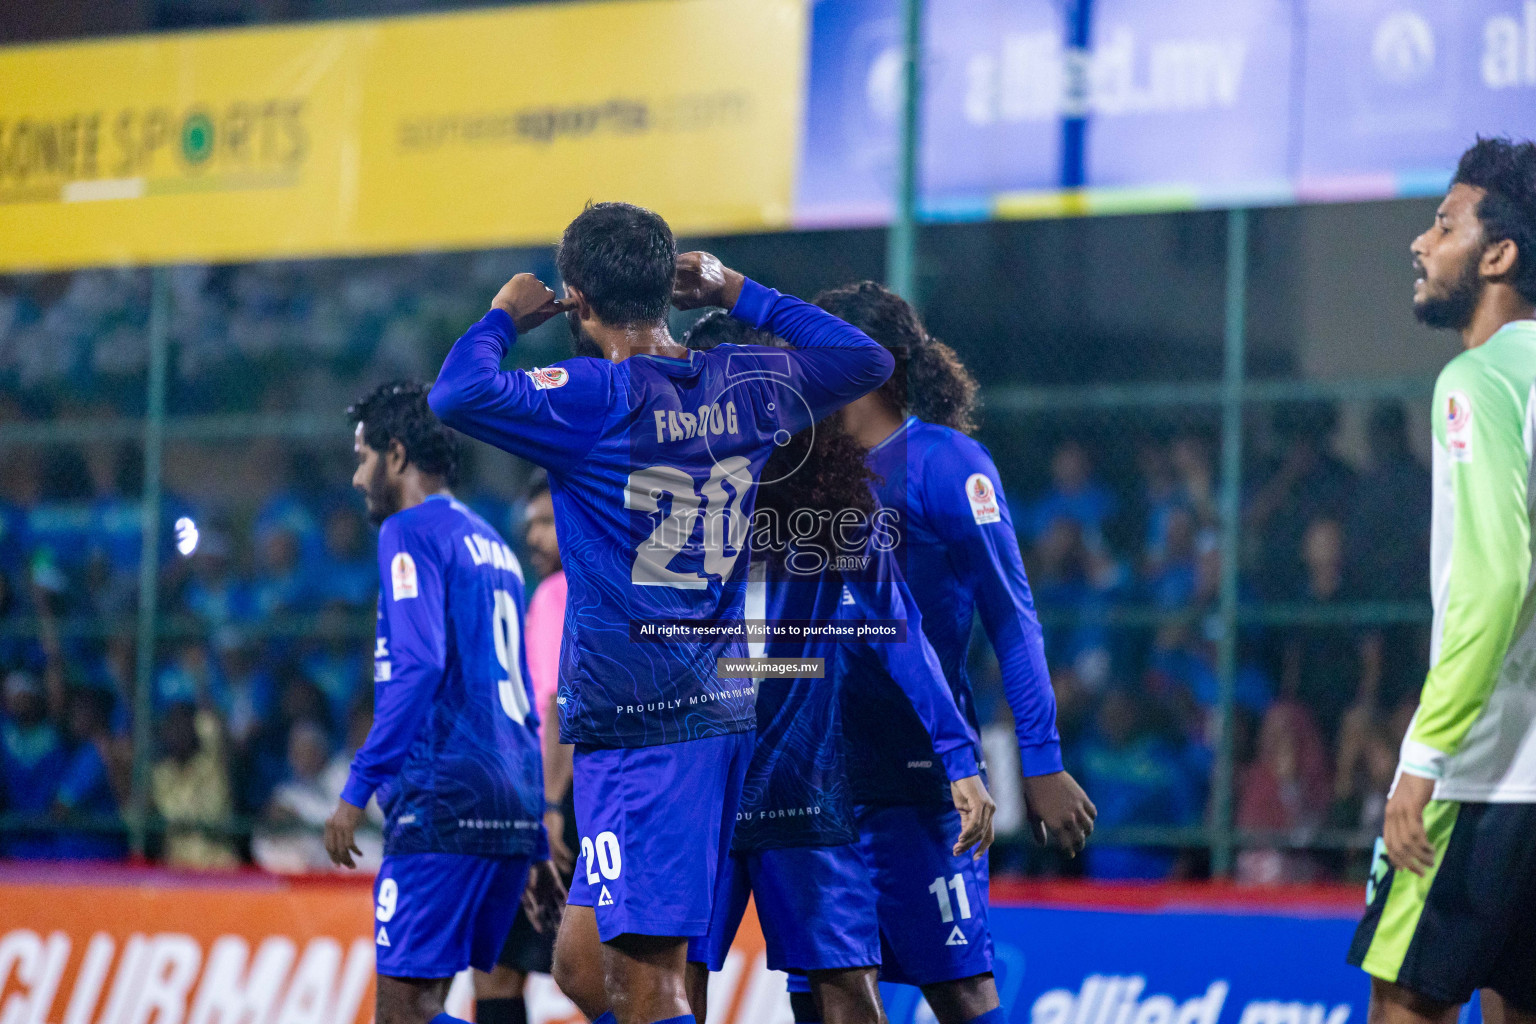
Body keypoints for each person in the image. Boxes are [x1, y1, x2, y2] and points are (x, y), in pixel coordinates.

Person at [428, 202, 892, 1024]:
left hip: (648, 729)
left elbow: (457, 392)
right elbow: (865, 359)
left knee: (647, 987)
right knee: (581, 965)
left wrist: (505, 314)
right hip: (698, 718)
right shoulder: (743, 383)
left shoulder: (594, 395)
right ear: (669, 286)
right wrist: (740, 290)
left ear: (578, 296)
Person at [680, 311, 995, 1024]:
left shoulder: (830, 501)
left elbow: (900, 630)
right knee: (668, 980)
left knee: (846, 986)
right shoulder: (666, 495)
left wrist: (958, 755)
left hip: (799, 777)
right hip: (700, 779)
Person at [825, 281, 1096, 1024]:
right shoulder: (804, 470)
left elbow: (1013, 619)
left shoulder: (949, 464)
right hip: (820, 779)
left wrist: (1040, 761)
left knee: (961, 992)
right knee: (827, 993)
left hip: (922, 778)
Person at [1348, 137, 1536, 1024]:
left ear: (1499, 256)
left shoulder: (1477, 378)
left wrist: (1419, 765)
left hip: (1482, 776)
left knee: (1405, 1003)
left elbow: (1495, 580)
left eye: (1445, 224)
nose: (1421, 243)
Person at [323, 381, 561, 1024]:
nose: (356, 476)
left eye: (363, 455)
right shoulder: (495, 549)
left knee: (405, 1011)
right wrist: (534, 829)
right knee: (487, 995)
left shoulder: (409, 531)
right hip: (508, 806)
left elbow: (420, 665)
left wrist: (357, 787)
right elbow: (520, 697)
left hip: (443, 803)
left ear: (396, 455)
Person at [474, 473, 579, 1024]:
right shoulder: (577, 590)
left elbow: (557, 704)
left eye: (547, 523)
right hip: (566, 797)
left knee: (498, 966)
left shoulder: (558, 591)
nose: (534, 536)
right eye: (529, 524)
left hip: (554, 805)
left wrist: (549, 807)